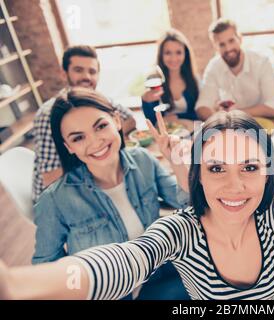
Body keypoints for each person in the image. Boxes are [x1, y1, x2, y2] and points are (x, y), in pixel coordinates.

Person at [1, 108, 274, 300]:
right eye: (217, 169)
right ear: (196, 174)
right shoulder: (180, 229)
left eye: (250, 168)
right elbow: (120, 262)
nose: (235, 187)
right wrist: (18, 286)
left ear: (270, 173)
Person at [32, 87, 190, 299]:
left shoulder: (143, 160)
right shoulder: (54, 200)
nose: (95, 142)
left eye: (101, 126)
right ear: (68, 146)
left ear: (116, 120)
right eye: (78, 138)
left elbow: (188, 203)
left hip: (157, 271)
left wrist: (177, 162)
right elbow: (45, 272)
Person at [32, 45, 137, 203]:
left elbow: (129, 120)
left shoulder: (97, 100)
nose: (86, 77)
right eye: (79, 70)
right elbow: (51, 178)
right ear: (64, 73)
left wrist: (109, 140)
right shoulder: (49, 114)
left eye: (92, 71)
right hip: (60, 197)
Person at [195, 18, 274, 120]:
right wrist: (217, 118)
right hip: (230, 127)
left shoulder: (261, 63)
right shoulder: (213, 67)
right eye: (221, 44)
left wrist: (234, 114)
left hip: (263, 126)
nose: (228, 49)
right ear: (215, 47)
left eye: (231, 41)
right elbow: (202, 106)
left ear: (240, 39)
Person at [142, 29, 200, 125]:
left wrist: (177, 117)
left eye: (178, 52)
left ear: (185, 54)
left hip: (191, 132)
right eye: (168, 53)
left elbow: (198, 115)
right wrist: (145, 102)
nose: (173, 58)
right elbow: (152, 121)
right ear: (161, 55)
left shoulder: (194, 80)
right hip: (166, 134)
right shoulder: (154, 80)